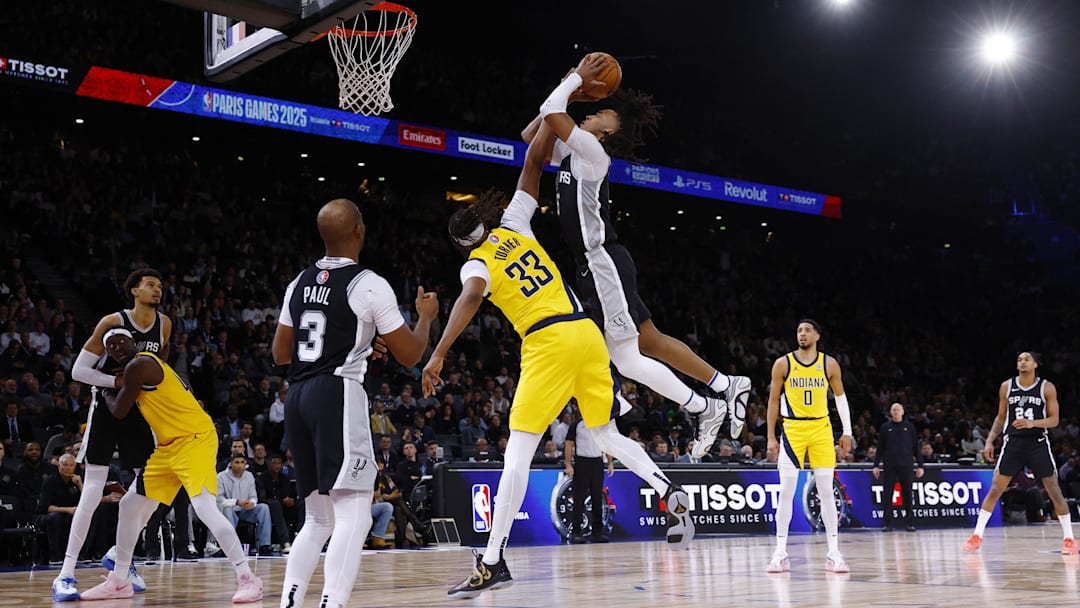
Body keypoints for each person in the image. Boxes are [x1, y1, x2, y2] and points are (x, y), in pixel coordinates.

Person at [425, 118, 693, 600]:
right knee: (606, 433)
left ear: (464, 242)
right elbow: (531, 163)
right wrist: (555, 110)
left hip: (548, 343)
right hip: (587, 333)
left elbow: (468, 299)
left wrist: (439, 353)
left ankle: (491, 562)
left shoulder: (475, 261)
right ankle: (667, 487)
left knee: (517, 455)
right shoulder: (515, 223)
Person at [526, 56, 750, 457]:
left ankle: (708, 399)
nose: (597, 110)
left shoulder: (594, 153)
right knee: (643, 346)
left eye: (605, 112)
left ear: (610, 132)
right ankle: (719, 390)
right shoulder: (573, 149)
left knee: (630, 353)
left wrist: (574, 81)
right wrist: (569, 89)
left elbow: (550, 111)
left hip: (601, 261)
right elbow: (533, 133)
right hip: (593, 265)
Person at [272, 198, 437, 608]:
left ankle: (290, 601)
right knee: (355, 512)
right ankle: (333, 603)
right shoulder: (368, 283)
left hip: (298, 396)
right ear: (359, 230)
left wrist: (357, 343)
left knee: (318, 517)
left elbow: (280, 352)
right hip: (337, 394)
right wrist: (426, 316)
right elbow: (411, 354)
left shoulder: (299, 281)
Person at [77, 328, 263, 602]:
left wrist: (102, 387)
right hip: (168, 445)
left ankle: (248, 578)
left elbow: (118, 411)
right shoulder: (135, 368)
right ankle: (119, 580)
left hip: (195, 439)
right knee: (129, 505)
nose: (116, 346)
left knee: (205, 508)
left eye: (121, 340)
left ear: (134, 342)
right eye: (110, 345)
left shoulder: (140, 364)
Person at [52, 268, 167, 601]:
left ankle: (120, 557)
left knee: (153, 487)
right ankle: (66, 574)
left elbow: (159, 369)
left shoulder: (165, 325)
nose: (157, 290)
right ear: (133, 291)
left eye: (160, 286)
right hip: (105, 408)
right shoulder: (111, 321)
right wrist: (117, 382)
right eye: (150, 285)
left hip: (139, 412)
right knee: (91, 491)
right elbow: (79, 371)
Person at [962, 352, 1076, 554]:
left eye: (1026, 359)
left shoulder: (1046, 387)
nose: (1022, 362)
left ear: (1035, 364)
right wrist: (989, 441)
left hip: (1037, 442)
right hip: (1013, 442)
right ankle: (977, 535)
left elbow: (1054, 420)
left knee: (1054, 491)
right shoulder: (1007, 387)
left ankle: (1069, 539)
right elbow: (1000, 417)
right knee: (996, 489)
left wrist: (1034, 423)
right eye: (1019, 360)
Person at [766, 319, 853, 574]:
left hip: (821, 429)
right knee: (786, 490)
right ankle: (780, 552)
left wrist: (846, 431)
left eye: (807, 330)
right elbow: (772, 401)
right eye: (799, 331)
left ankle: (833, 552)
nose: (802, 334)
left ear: (817, 335)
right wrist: (771, 436)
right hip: (792, 430)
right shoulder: (783, 363)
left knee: (827, 490)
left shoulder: (829, 364)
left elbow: (840, 398)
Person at [873, 402, 924, 532]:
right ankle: (887, 524)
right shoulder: (885, 427)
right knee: (887, 494)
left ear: (902, 412)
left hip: (906, 465)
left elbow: (916, 447)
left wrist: (920, 465)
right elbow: (880, 448)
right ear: (890, 412)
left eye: (898, 410)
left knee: (907, 494)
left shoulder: (909, 427)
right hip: (889, 466)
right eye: (894, 410)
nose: (896, 412)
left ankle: (909, 523)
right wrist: (876, 465)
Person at [564, 414, 614, 543]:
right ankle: (576, 531)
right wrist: (568, 464)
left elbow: (606, 443)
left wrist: (610, 462)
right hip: (582, 462)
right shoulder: (577, 425)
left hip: (597, 462)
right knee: (579, 497)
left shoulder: (601, 424)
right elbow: (569, 444)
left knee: (597, 497)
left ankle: (597, 532)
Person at [217, 453, 272, 554]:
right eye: (237, 462)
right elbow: (219, 499)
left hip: (245, 511)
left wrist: (252, 503)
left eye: (242, 462)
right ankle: (229, 545)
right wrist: (237, 502)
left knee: (264, 508)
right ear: (231, 464)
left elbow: (253, 496)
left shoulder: (249, 476)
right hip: (230, 510)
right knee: (227, 508)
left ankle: (264, 545)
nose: (240, 465)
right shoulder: (221, 477)